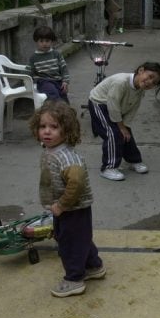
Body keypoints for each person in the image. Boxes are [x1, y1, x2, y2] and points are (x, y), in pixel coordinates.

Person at [28, 100, 105, 297]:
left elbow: (76, 183)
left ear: (66, 130)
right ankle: (93, 266)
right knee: (79, 238)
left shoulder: (66, 157)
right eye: (42, 126)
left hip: (73, 208)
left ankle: (74, 279)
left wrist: (61, 205)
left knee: (69, 244)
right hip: (66, 207)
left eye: (54, 127)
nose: (47, 131)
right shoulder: (51, 151)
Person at [88, 61, 160, 181]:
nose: (150, 82)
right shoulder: (121, 82)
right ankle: (108, 168)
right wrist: (121, 126)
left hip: (116, 107)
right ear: (141, 70)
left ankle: (134, 160)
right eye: (150, 77)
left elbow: (133, 108)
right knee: (113, 133)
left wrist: (125, 126)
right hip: (100, 103)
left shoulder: (140, 89)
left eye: (154, 82)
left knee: (126, 133)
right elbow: (113, 105)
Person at [28, 26, 70, 103]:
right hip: (44, 81)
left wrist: (65, 81)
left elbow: (64, 68)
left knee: (63, 95)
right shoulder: (33, 58)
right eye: (41, 41)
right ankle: (56, 111)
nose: (44, 44)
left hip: (58, 80)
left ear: (52, 41)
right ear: (36, 41)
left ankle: (65, 113)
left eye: (47, 41)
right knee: (53, 93)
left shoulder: (56, 54)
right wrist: (29, 82)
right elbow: (29, 71)